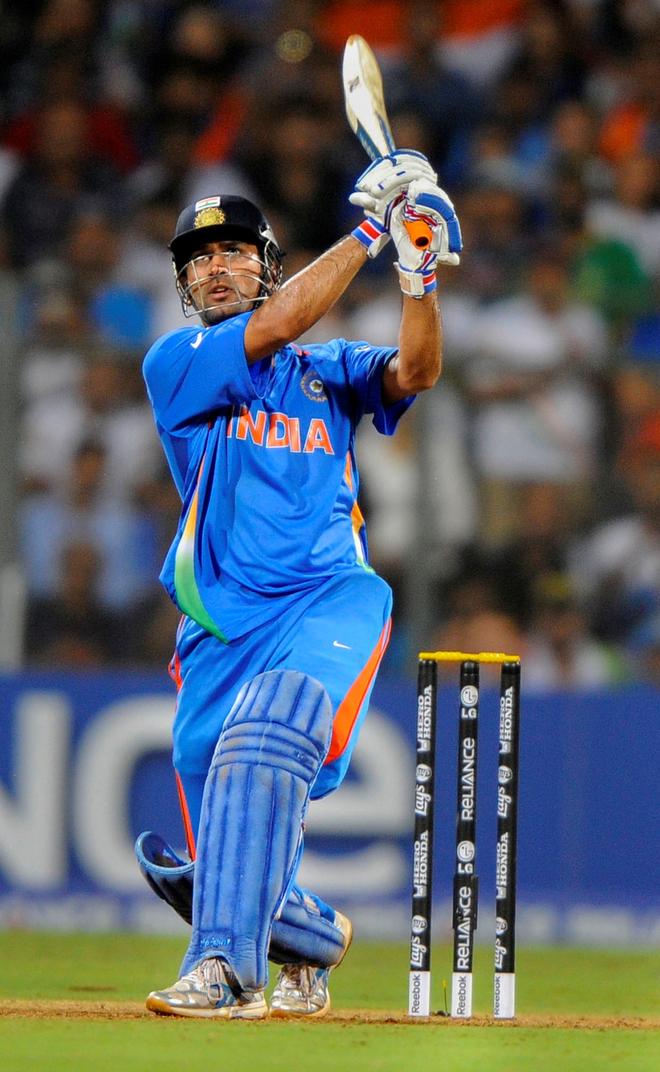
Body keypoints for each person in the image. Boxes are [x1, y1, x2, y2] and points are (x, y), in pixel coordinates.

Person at [135, 151, 462, 1020]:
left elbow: (417, 372)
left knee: (268, 734)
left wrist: (419, 276)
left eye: (235, 251)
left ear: (268, 262)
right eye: (198, 258)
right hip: (217, 627)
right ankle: (307, 943)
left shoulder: (329, 366)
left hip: (328, 598)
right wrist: (369, 229)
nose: (214, 266)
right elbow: (276, 327)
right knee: (230, 865)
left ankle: (222, 972)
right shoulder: (178, 364)